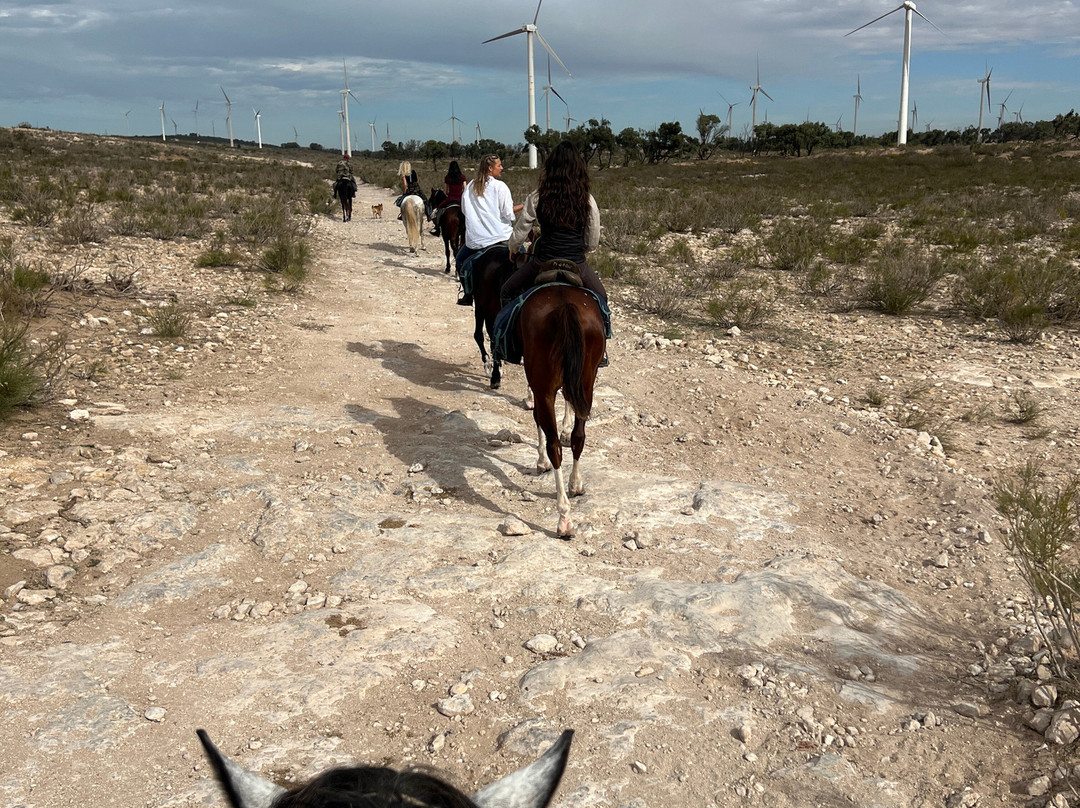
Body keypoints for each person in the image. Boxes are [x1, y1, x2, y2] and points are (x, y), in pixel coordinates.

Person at [502, 141, 606, 307]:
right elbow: (592, 240)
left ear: (551, 167)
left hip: (543, 261)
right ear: (578, 168)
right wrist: (579, 250)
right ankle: (605, 331)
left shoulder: (537, 197)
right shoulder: (587, 198)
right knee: (602, 299)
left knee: (506, 291)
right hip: (576, 262)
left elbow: (522, 230)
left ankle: (503, 333)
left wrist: (513, 248)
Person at [455, 154, 521, 306]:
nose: (502, 168)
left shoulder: (470, 186)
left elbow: (465, 211)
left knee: (460, 261)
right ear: (490, 169)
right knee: (523, 259)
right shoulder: (500, 187)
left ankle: (468, 294)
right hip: (501, 237)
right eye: (499, 165)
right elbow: (508, 214)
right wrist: (524, 206)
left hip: (477, 241)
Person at [430, 161, 468, 236]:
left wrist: (450, 194)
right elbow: (465, 189)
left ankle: (437, 227)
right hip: (460, 198)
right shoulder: (462, 177)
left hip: (450, 198)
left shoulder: (447, 178)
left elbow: (445, 191)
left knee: (438, 210)